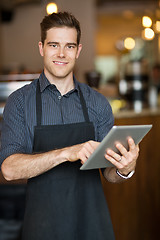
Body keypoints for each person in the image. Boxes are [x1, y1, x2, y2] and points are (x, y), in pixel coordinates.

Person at [0, 12, 139, 240]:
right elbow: (9, 169)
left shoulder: (97, 103)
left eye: (69, 46)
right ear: (41, 48)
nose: (62, 54)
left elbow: (109, 173)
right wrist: (66, 153)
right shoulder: (19, 103)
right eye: (54, 45)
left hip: (92, 226)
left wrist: (125, 169)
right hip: (42, 228)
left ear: (79, 50)